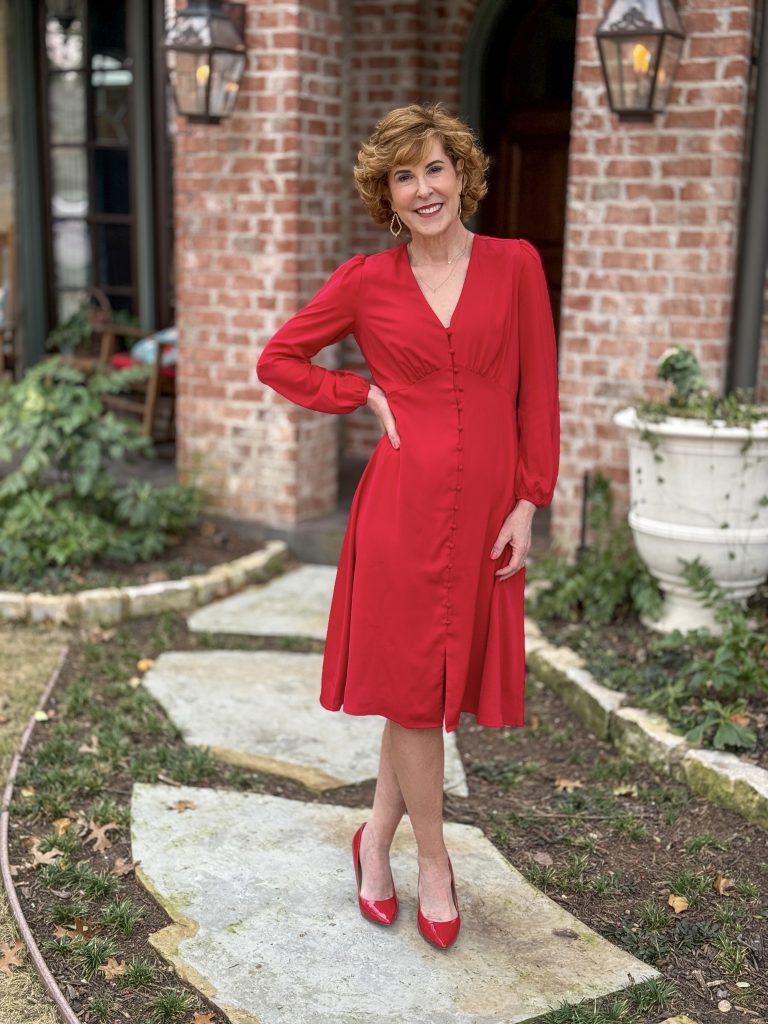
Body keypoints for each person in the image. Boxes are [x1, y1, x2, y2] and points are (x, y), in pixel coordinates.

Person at [256, 103, 560, 950]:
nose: (423, 188)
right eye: (404, 174)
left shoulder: (515, 266)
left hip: (489, 517)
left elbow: (541, 389)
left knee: (423, 694)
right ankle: (433, 860)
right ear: (386, 192)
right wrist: (360, 392)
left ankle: (372, 839)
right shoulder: (366, 280)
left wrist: (530, 500)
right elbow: (277, 359)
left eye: (435, 168)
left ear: (462, 174)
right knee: (418, 696)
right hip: (400, 513)